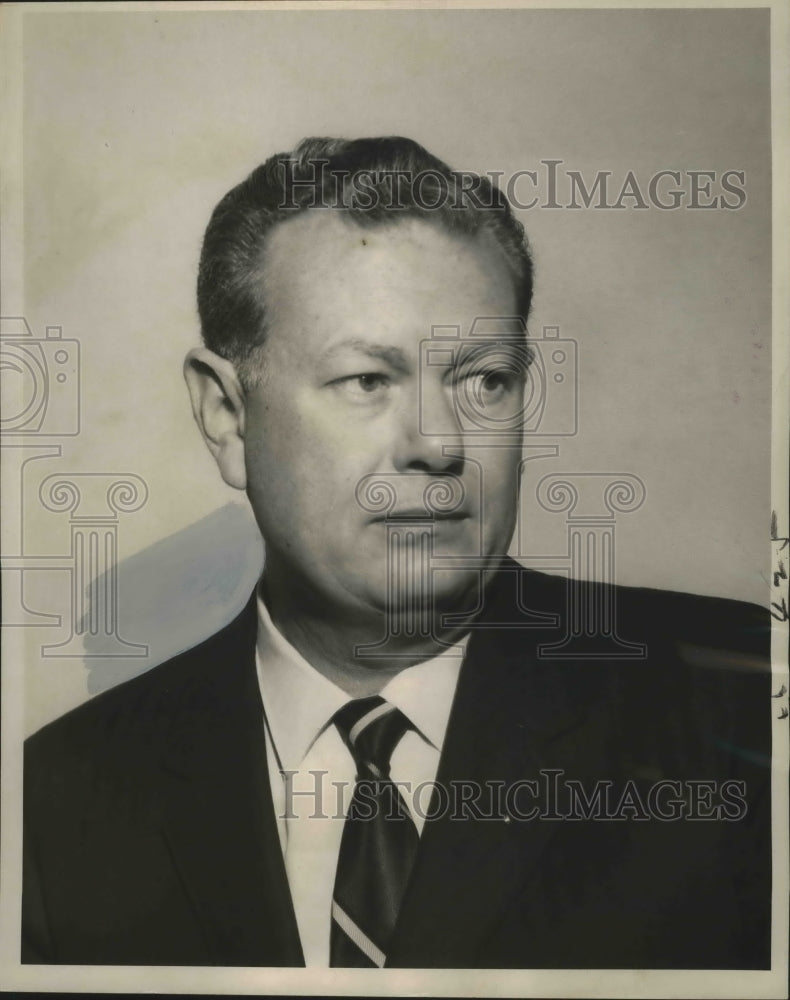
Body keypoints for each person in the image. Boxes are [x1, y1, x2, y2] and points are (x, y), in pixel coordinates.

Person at [22, 137, 771, 969]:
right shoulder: (55, 804)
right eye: (368, 382)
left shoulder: (737, 700)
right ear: (227, 417)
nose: (440, 445)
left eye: (484, 379)